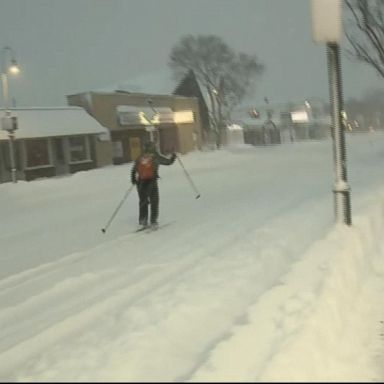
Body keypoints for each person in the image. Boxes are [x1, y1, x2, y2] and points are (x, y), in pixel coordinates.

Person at [131, 141, 176, 230]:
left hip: (141, 183)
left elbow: (134, 170)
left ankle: (143, 221)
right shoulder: (156, 157)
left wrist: (133, 179)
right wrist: (173, 157)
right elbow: (168, 162)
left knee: (143, 201)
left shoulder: (140, 157)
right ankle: (153, 221)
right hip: (151, 182)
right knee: (154, 201)